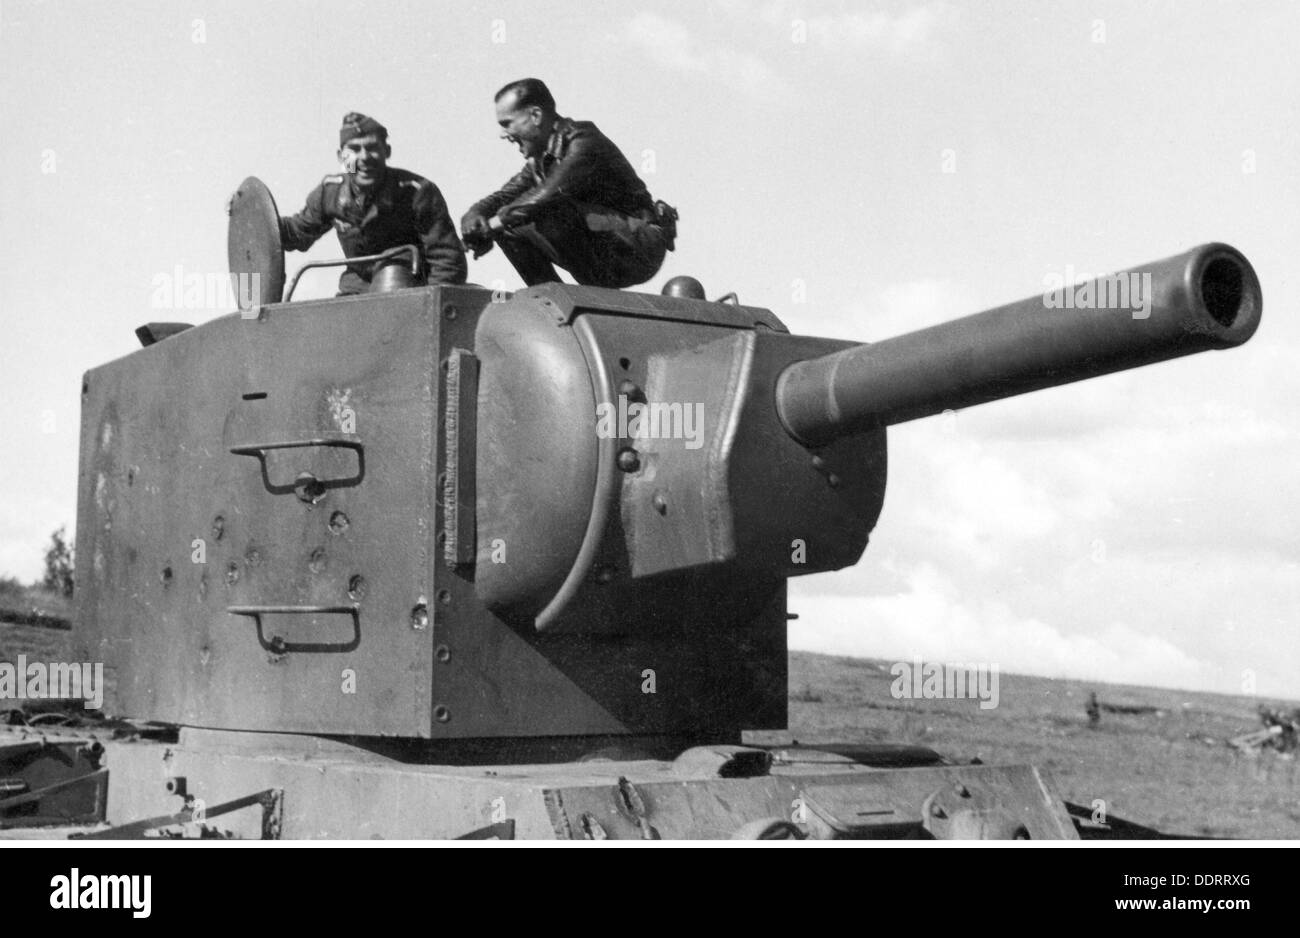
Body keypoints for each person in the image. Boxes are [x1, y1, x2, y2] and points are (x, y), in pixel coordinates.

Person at [460, 79, 676, 288]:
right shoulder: (540, 159)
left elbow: (547, 196)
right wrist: (475, 215)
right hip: (606, 244)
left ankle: (574, 296)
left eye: (507, 124)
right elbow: (504, 196)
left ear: (535, 115)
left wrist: (491, 225)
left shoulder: (583, 142)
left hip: (641, 246)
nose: (503, 134)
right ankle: (548, 295)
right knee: (511, 223)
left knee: (541, 210)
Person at [279, 112, 467, 295]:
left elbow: (448, 262)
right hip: (354, 294)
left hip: (407, 295)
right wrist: (260, 223)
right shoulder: (329, 193)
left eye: (372, 148)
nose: (364, 157)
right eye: (353, 149)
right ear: (341, 157)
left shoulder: (416, 192)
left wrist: (426, 305)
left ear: (387, 151)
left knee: (395, 268)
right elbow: (297, 233)